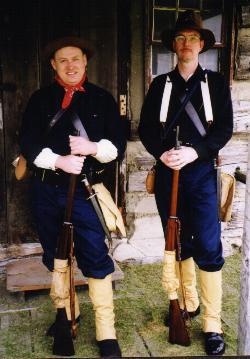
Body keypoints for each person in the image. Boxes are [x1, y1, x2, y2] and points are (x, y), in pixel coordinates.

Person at [19, 36, 126, 358]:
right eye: (62, 60)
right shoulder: (40, 99)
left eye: (75, 59)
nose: (70, 65)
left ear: (85, 62)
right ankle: (66, 314)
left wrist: (92, 148)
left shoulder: (102, 99)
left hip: (85, 191)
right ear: (54, 64)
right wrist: (58, 161)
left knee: (95, 256)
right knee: (56, 255)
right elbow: (28, 142)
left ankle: (106, 332)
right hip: (47, 189)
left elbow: (116, 146)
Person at [139, 10, 233, 356]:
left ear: (202, 44)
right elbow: (147, 128)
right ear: (174, 46)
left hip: (201, 174)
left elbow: (223, 130)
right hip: (168, 174)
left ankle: (212, 323)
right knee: (175, 240)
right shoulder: (160, 85)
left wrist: (196, 153)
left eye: (192, 38)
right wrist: (163, 154)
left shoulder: (217, 83)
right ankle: (187, 303)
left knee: (208, 245)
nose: (186, 44)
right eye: (180, 39)